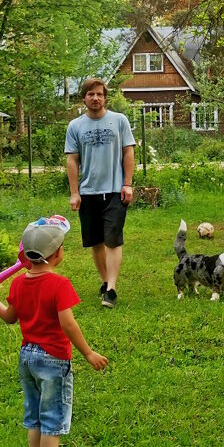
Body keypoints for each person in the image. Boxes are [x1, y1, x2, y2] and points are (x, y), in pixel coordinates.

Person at [0, 216, 108, 447]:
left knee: (34, 418)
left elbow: (9, 317)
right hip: (53, 359)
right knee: (52, 419)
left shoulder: (17, 284)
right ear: (56, 254)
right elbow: (67, 323)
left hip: (27, 358)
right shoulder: (59, 284)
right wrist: (88, 353)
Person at [65, 78, 136, 309]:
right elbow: (72, 161)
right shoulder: (75, 126)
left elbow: (128, 153)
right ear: (84, 98)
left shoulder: (119, 121)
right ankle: (105, 282)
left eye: (99, 94)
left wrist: (128, 184)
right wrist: (75, 192)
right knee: (96, 242)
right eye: (90, 94)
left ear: (105, 97)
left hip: (115, 191)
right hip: (88, 193)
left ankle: (112, 290)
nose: (95, 98)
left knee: (113, 240)